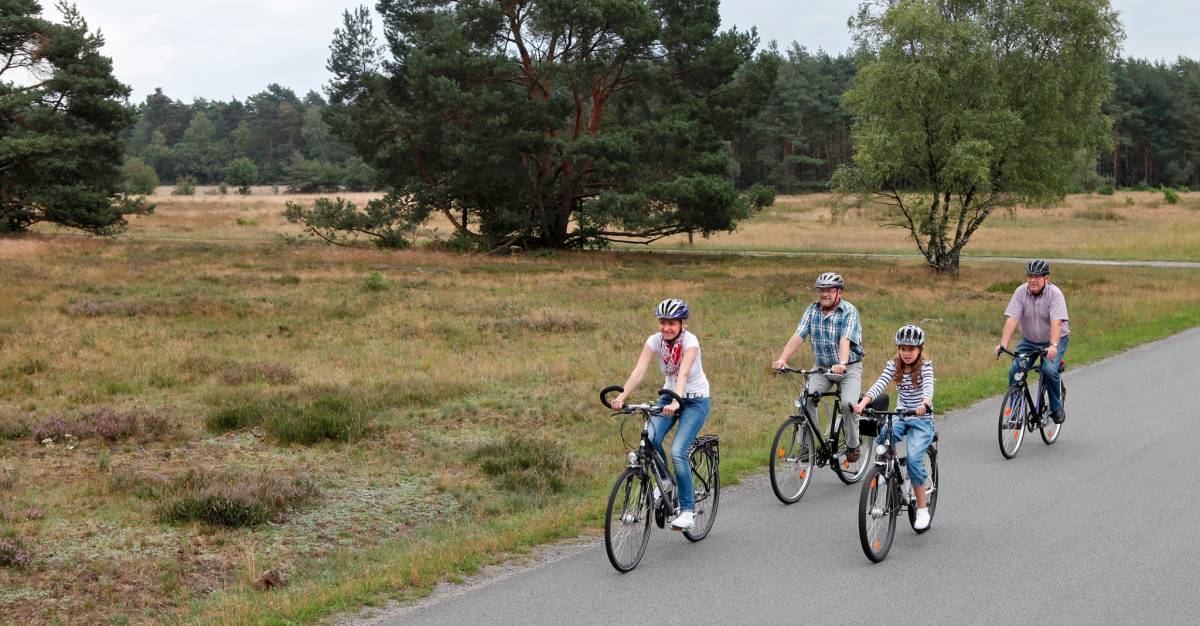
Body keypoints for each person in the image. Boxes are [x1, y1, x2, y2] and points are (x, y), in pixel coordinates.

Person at [611, 298, 711, 530]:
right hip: (669, 397)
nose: (666, 328)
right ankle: (666, 481)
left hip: (695, 400)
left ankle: (687, 511)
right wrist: (621, 397)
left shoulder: (690, 342)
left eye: (672, 323)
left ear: (682, 324)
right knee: (651, 439)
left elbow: (683, 374)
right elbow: (639, 370)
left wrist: (678, 403)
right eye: (663, 322)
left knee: (678, 452)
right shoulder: (655, 341)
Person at [772, 272, 866, 462]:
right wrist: (782, 359)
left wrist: (842, 363)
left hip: (848, 368)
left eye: (829, 290)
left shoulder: (848, 311)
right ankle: (809, 447)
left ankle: (853, 445)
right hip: (822, 368)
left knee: (849, 406)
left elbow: (845, 339)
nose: (824, 294)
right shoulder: (812, 310)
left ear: (839, 292)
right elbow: (799, 335)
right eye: (821, 290)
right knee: (804, 401)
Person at [853, 325, 936, 530]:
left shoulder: (925, 366)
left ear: (920, 349)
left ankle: (922, 508)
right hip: (901, 415)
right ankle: (884, 472)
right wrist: (863, 403)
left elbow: (928, 387)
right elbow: (880, 383)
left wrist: (924, 404)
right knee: (883, 438)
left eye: (911, 349)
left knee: (915, 458)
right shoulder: (894, 365)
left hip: (921, 418)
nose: (907, 353)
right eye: (903, 349)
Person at [995, 259, 1070, 424]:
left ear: (1046, 279)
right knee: (1016, 369)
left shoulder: (1055, 294)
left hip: (1054, 340)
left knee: (1049, 370)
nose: (1032, 280)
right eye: (1030, 276)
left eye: (1037, 276)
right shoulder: (1020, 292)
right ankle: (1016, 412)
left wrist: (1054, 346)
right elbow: (1012, 319)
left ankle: (1056, 408)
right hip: (1029, 340)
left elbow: (1057, 322)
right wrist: (1003, 344)